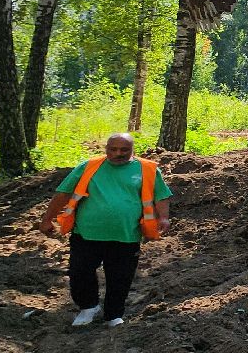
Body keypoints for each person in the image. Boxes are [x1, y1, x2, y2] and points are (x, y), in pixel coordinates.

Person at [37, 133, 172, 328]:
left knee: (120, 277)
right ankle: (88, 307)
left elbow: (161, 196)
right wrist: (47, 219)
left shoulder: (147, 169)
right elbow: (63, 193)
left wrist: (164, 217)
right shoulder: (89, 166)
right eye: (113, 149)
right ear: (106, 148)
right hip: (86, 233)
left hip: (126, 235)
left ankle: (113, 315)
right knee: (80, 273)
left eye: (124, 150)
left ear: (132, 150)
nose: (118, 153)